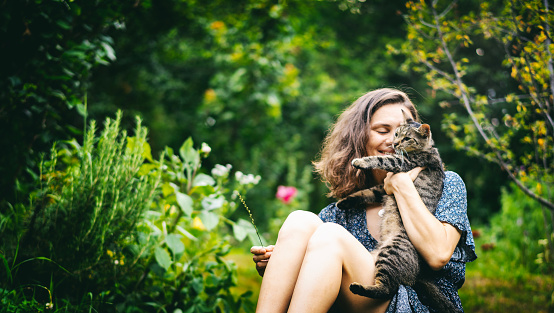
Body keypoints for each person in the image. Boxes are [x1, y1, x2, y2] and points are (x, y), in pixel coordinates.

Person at [250, 88, 477, 313]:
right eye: (382, 130)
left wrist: (401, 185)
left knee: (331, 236)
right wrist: (284, 261)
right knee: (300, 221)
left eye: (401, 131)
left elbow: (438, 254)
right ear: (360, 138)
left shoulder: (447, 184)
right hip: (354, 300)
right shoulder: (340, 213)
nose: (394, 140)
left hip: (420, 303)